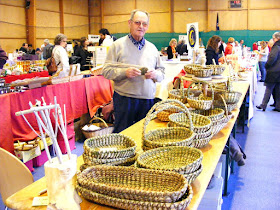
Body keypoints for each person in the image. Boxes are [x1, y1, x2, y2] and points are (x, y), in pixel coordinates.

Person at [102, 9, 165, 133]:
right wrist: (124, 73)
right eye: (137, 22)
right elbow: (106, 71)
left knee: (144, 135)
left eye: (144, 24)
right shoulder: (117, 45)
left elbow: (162, 73)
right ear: (129, 23)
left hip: (147, 101)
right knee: (123, 136)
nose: (141, 26)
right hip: (125, 100)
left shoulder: (152, 48)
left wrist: (155, 74)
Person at [256, 32, 280, 112]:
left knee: (268, 88)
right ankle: (278, 105)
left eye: (273, 38)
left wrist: (267, 65)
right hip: (278, 71)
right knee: (277, 89)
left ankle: (263, 105)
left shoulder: (276, 47)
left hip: (273, 71)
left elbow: (272, 58)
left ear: (276, 38)